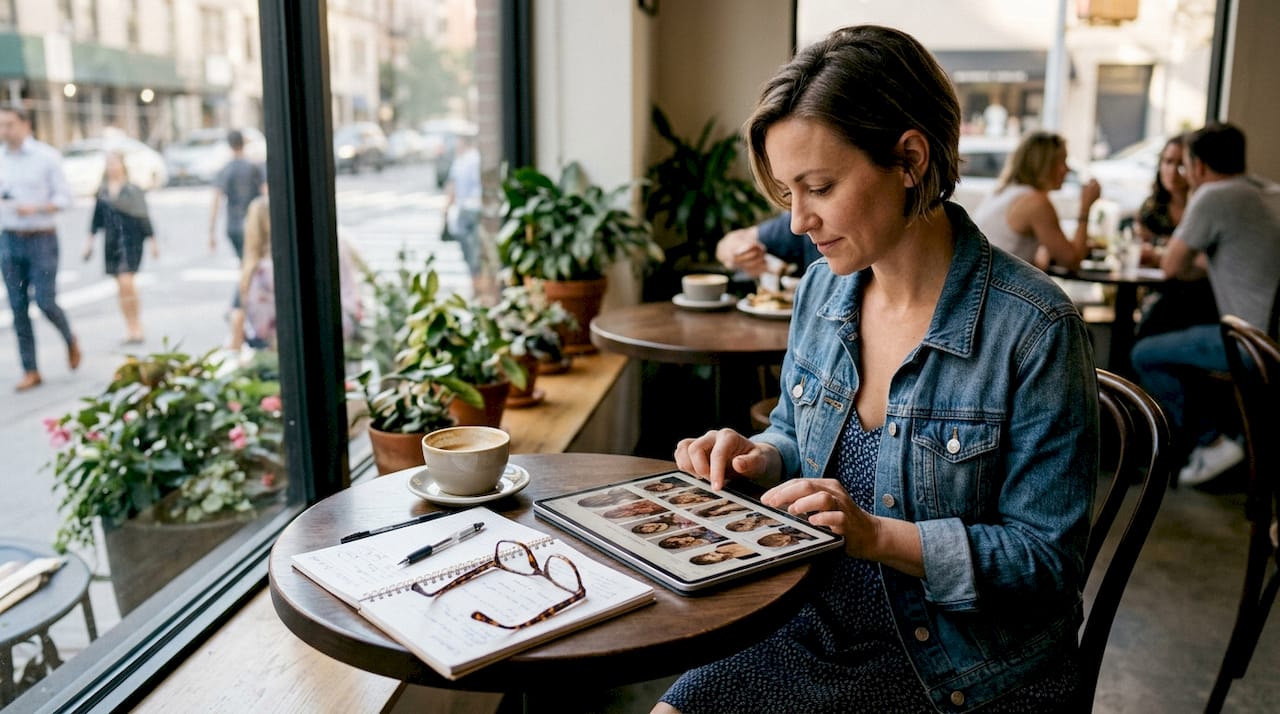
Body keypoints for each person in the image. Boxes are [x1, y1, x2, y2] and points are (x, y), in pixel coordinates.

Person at [655, 25, 1098, 714]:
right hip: (815, 626)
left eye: (820, 187)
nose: (799, 221)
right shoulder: (824, 291)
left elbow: (1045, 564)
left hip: (965, 668)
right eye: (787, 193)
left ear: (910, 159)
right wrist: (756, 458)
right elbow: (795, 436)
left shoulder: (1035, 328)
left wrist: (876, 536)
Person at [1132, 122, 1280, 487]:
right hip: (1272, 336)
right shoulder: (1269, 191)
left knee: (1145, 353)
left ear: (1197, 166)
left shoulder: (1215, 196)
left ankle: (1210, 441)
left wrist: (1161, 254)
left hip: (1251, 343)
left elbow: (1171, 266)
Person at [0, 104, 80, 391]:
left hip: (41, 238)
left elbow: (65, 198)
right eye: (1, 125)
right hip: (9, 239)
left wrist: (36, 208)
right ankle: (30, 369)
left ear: (25, 125)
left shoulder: (46, 157)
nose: (4, 131)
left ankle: (69, 337)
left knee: (45, 301)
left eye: (9, 124)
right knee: (18, 307)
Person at [971, 130, 1101, 271]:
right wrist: (1085, 208)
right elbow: (1071, 261)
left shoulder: (1005, 192)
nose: (1067, 169)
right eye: (1061, 162)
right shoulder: (1035, 203)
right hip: (994, 290)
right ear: (1044, 164)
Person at [1131, 134, 1218, 340]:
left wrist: (1162, 255)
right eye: (1168, 161)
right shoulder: (1151, 209)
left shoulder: (1203, 207)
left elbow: (1206, 259)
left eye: (1180, 164)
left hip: (1197, 293)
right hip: (1157, 291)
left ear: (1194, 168)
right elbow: (1137, 248)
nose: (1172, 170)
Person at [84, 151, 157, 345]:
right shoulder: (103, 191)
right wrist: (89, 243)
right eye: (109, 164)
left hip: (132, 240)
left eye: (115, 163)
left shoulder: (132, 189)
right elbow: (96, 219)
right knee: (120, 286)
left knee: (127, 282)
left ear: (123, 166)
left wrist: (153, 240)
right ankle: (129, 326)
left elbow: (143, 216)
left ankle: (137, 326)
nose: (112, 167)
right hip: (112, 242)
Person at [209, 129, 264, 349]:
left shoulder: (226, 170)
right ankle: (237, 312)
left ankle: (238, 314)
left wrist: (211, 232)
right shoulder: (253, 167)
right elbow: (265, 194)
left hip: (232, 226)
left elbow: (216, 200)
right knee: (249, 268)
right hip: (252, 226)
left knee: (246, 267)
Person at [714, 213, 823, 279]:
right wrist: (736, 252)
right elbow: (726, 244)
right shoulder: (793, 226)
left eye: (820, 189)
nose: (797, 226)